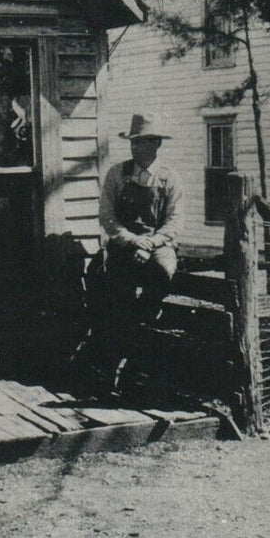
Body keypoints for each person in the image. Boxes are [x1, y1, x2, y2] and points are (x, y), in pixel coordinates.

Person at [94, 112, 183, 393]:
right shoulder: (117, 175)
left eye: (142, 142)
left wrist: (152, 244)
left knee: (164, 270)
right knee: (117, 291)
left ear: (156, 144)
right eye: (133, 142)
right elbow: (107, 217)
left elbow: (175, 220)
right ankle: (112, 367)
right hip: (125, 244)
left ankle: (143, 324)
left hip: (158, 245)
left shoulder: (170, 178)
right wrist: (132, 241)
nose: (135, 148)